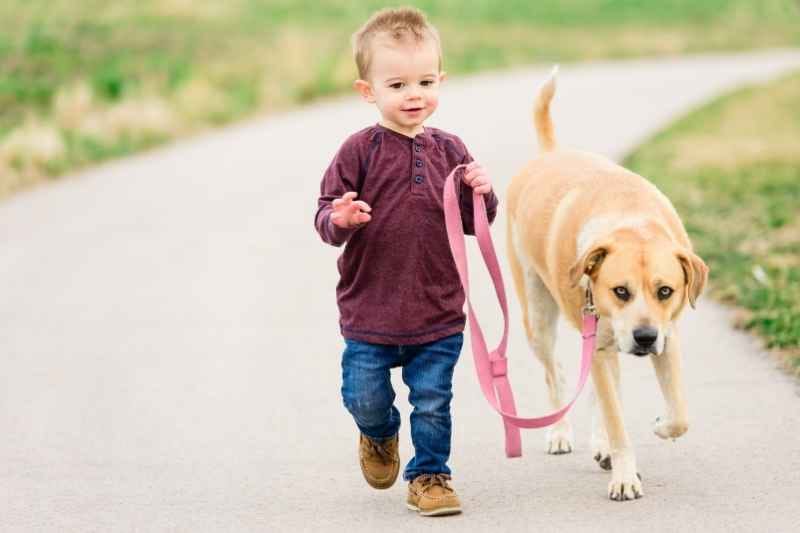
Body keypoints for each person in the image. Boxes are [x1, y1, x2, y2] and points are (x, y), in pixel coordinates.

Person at [313, 6, 497, 517]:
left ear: (441, 79)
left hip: (437, 310)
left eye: (424, 81)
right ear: (368, 91)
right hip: (369, 310)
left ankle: (431, 476)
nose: (413, 94)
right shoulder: (359, 151)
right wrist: (341, 218)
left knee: (434, 401)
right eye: (396, 85)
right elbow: (324, 216)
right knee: (364, 397)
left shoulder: (452, 149)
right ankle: (379, 434)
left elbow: (474, 219)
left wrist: (481, 192)